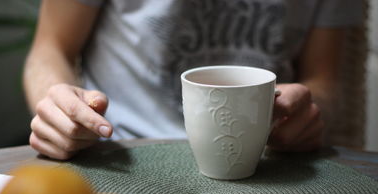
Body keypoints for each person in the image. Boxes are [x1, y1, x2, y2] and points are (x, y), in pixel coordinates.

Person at [23, 0, 363, 160]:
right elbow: (50, 49)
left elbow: (324, 80)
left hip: (268, 161)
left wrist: (310, 111)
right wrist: (58, 105)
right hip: (123, 156)